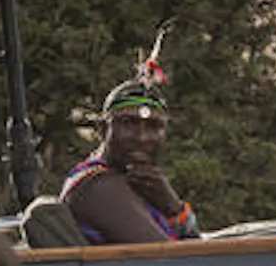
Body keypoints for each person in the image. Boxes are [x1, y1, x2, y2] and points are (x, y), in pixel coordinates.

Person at [60, 75, 204, 245]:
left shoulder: (140, 183)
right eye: (128, 123)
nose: (141, 137)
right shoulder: (99, 186)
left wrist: (174, 208)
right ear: (103, 130)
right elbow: (171, 264)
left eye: (153, 126)